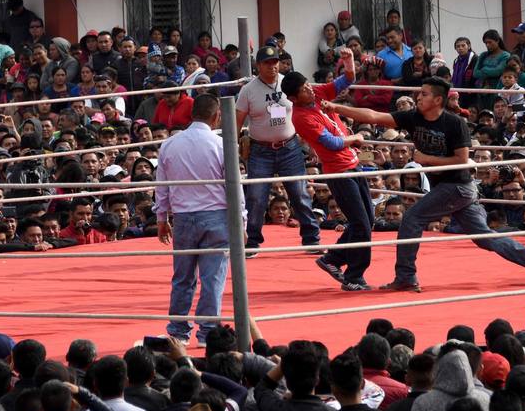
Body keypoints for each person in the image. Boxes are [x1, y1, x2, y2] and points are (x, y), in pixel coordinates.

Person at [323, 76, 525, 292]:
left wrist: (425, 159)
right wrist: (336, 107)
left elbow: (461, 161)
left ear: (438, 100)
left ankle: (406, 276)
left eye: (425, 94)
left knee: (411, 218)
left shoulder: (454, 123)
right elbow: (375, 116)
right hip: (450, 189)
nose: (418, 97)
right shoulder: (413, 117)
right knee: (483, 238)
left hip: (457, 186)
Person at [282, 55, 372, 291]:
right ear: (293, 98)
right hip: (339, 170)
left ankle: (333, 259)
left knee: (366, 221)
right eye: (303, 90)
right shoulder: (300, 118)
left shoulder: (317, 93)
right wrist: (355, 138)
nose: (309, 90)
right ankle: (354, 276)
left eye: (307, 85)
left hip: (352, 164)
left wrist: (349, 61)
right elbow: (331, 143)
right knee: (361, 223)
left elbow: (347, 80)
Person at [155, 94, 238, 345]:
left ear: (192, 115)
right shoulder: (222, 144)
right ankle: (207, 332)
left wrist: (161, 217)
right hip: (215, 216)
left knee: (183, 277)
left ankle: (178, 332)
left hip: (183, 217)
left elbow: (162, 185)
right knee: (212, 277)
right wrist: (241, 221)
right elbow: (235, 187)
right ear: (217, 116)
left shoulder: (169, 144)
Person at [235, 44, 320, 255]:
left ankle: (312, 238)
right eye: (268, 63)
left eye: (275, 62)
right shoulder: (248, 90)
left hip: (290, 146)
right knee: (256, 197)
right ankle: (252, 241)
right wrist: (233, 147)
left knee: (300, 193)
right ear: (258, 65)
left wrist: (312, 141)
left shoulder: (289, 83)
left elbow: (308, 111)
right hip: (260, 149)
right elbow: (235, 122)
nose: (273, 66)